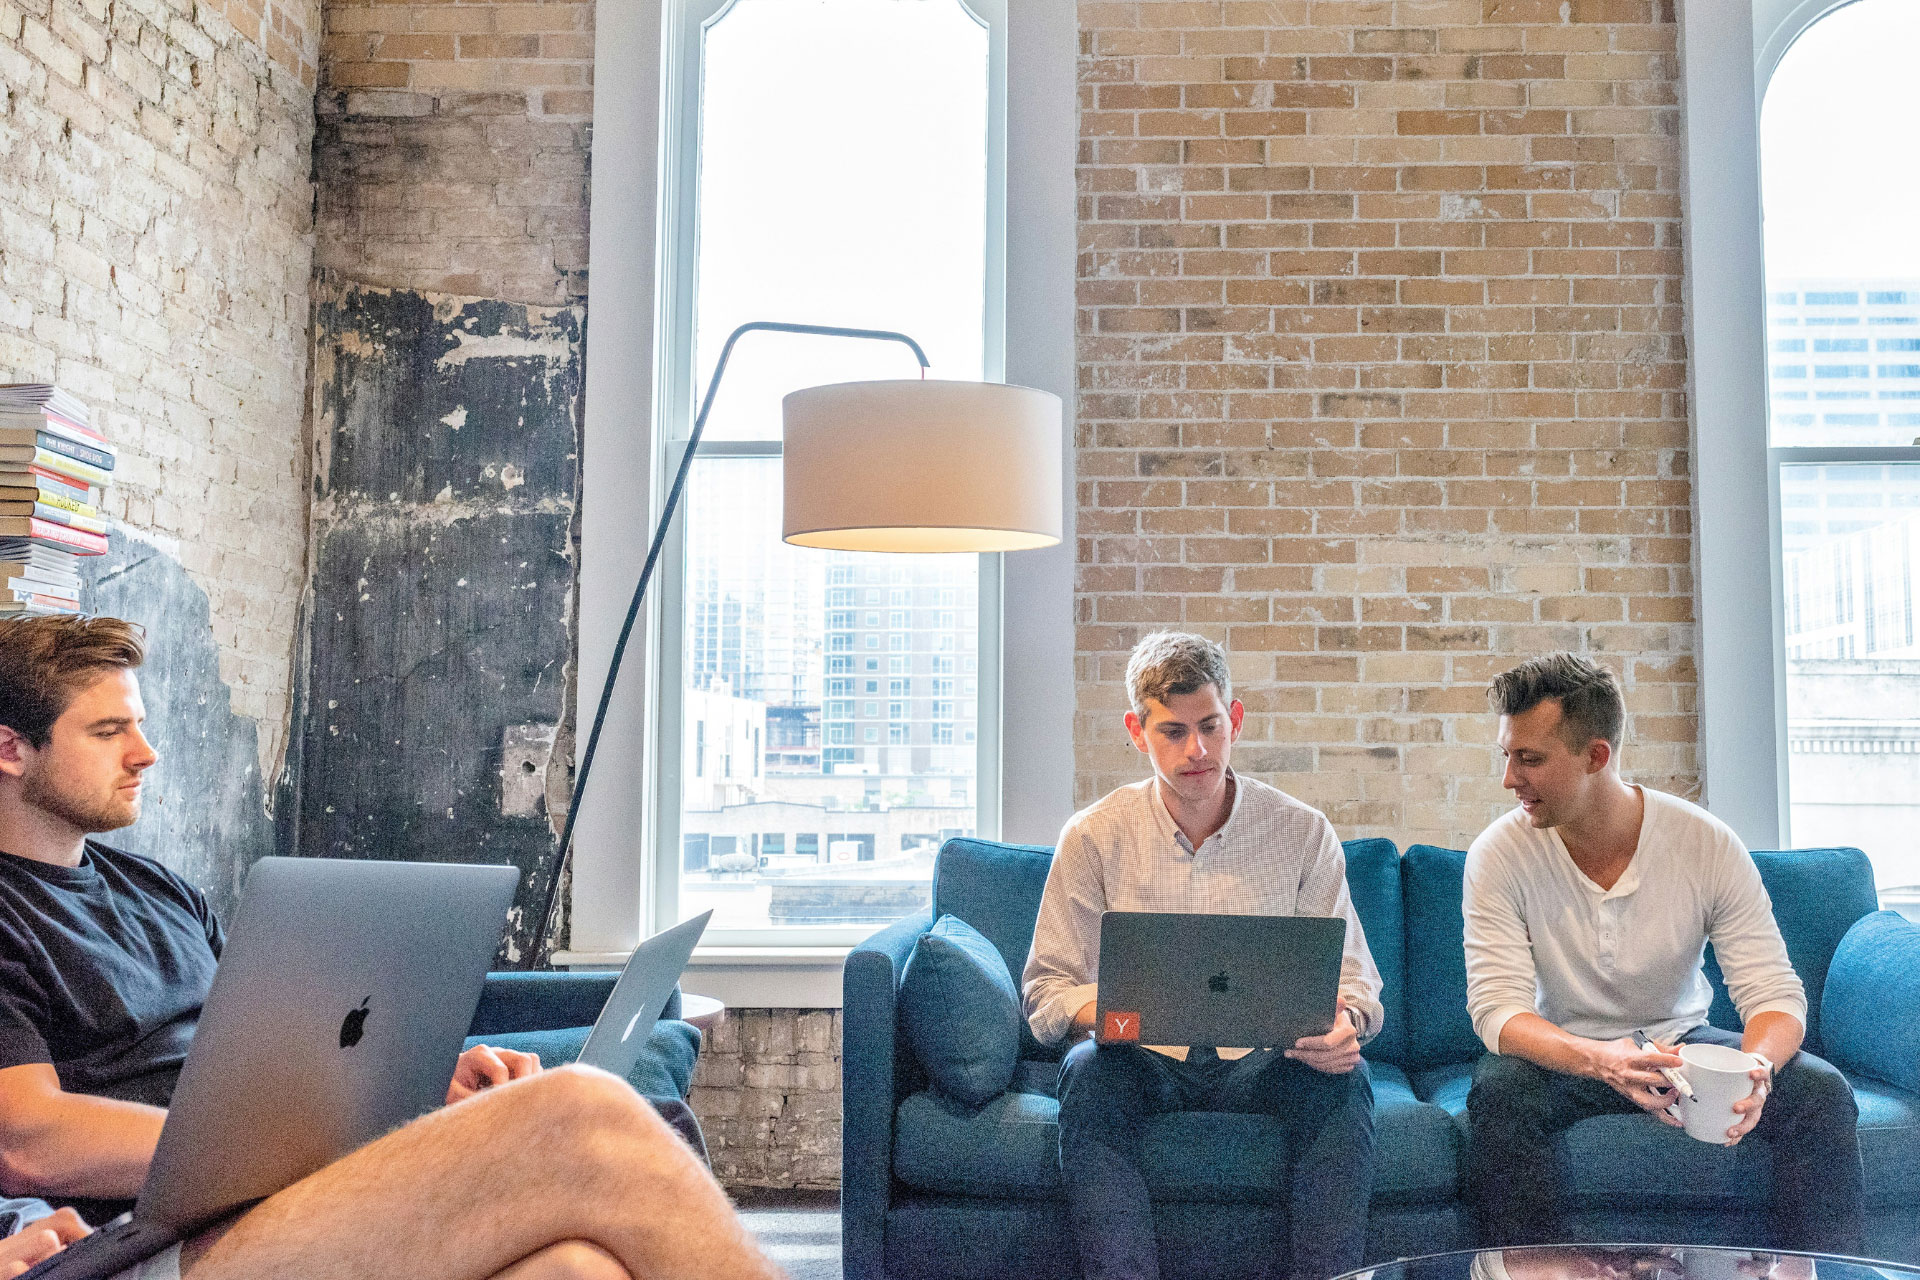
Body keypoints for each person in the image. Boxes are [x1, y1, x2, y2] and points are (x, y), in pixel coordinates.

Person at [0, 615, 780, 1280]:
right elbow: (30, 1142)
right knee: (581, 1107)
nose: (145, 752)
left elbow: (271, 1057)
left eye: (138, 725)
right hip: (147, 1241)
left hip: (268, 1197)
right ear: (11, 750)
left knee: (578, 1267)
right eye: (108, 732)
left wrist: (416, 1085)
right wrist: (312, 1136)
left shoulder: (157, 889)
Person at [1462, 652, 1864, 1254]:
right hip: (1567, 1051)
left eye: (1531, 759)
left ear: (1596, 756)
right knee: (1499, 1093)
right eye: (1507, 756)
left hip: (1683, 1046)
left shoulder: (1705, 844)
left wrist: (1753, 1072)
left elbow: (1774, 994)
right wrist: (1602, 1060)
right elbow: (1498, 1011)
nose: (1509, 778)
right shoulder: (1499, 854)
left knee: (1820, 1092)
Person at [1022, 631, 1384, 1280]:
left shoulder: (1302, 832)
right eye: (1172, 731)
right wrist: (1120, 1011)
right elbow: (1047, 989)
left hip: (1268, 1061)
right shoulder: (1093, 836)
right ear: (1137, 731)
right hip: (1143, 1059)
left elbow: (1355, 982)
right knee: (1086, 1071)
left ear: (1234, 720)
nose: (1197, 750)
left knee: (1346, 1082)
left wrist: (1345, 1027)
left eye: (1211, 726)